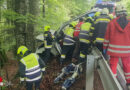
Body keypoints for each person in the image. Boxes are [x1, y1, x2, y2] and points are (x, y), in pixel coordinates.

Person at [103, 4, 130, 90]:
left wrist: (104, 47)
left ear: (116, 12)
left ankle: (112, 83)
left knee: (113, 65)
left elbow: (107, 37)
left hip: (114, 50)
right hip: (127, 51)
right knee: (127, 66)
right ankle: (129, 82)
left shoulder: (111, 23)